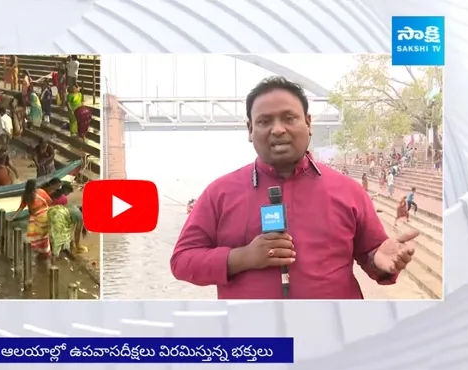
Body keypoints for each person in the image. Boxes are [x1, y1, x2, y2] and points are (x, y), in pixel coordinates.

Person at [170, 76, 420, 300]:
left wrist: (379, 259)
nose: (278, 129)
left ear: (308, 123)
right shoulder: (219, 193)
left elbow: (372, 255)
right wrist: (243, 257)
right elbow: (182, 260)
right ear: (250, 130)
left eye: (289, 118)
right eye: (265, 121)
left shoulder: (348, 190)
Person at [10, 179, 52, 260]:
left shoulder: (25, 196)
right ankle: (46, 255)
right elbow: (50, 202)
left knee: (38, 238)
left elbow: (21, 208)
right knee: (45, 237)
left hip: (36, 220)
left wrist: (13, 217)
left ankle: (41, 254)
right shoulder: (41, 192)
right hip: (46, 217)